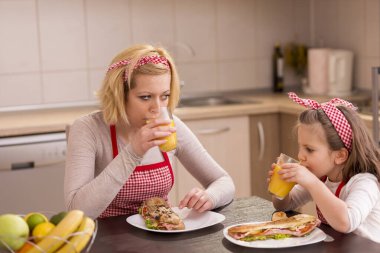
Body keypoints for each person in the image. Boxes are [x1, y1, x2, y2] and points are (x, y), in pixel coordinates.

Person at [64, 44, 235, 219]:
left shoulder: (170, 126)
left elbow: (224, 182)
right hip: (106, 239)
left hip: (161, 236)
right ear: (119, 95)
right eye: (145, 97)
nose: (157, 108)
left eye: (165, 96)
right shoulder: (89, 129)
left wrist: (210, 197)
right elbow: (78, 212)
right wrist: (132, 153)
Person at [269, 92, 380, 243]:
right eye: (300, 147)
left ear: (340, 156)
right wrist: (281, 190)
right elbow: (285, 206)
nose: (300, 155)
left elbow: (345, 222)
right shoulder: (321, 177)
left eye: (309, 149)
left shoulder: (365, 183)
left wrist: (312, 183)